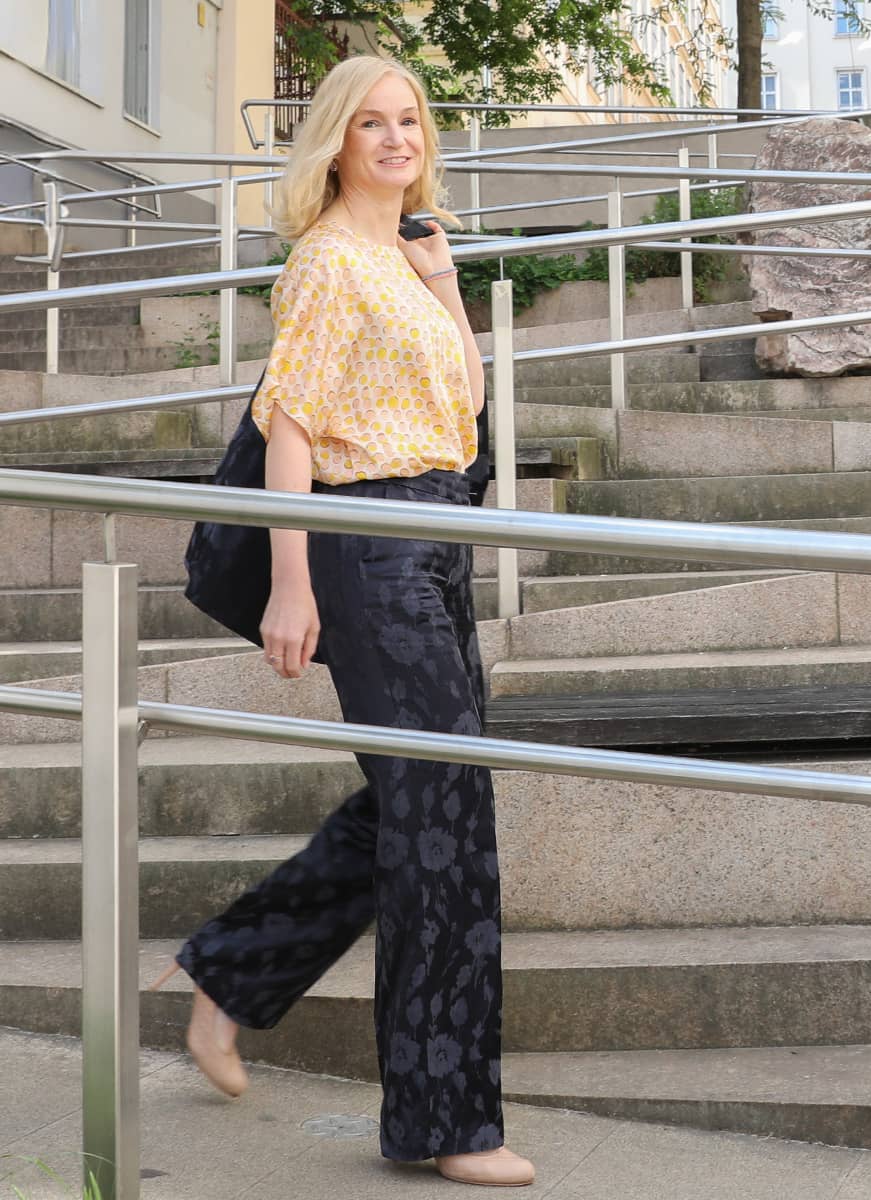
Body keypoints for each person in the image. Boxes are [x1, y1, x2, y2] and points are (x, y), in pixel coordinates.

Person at [151, 55, 533, 1189]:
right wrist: (292, 581)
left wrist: (446, 278)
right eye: (370, 123)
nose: (394, 138)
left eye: (408, 120)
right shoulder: (323, 265)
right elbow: (294, 432)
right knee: (444, 825)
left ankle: (227, 976)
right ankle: (445, 1122)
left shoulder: (404, 257)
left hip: (434, 537)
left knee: (426, 804)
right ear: (333, 140)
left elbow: (461, 413)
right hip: (366, 553)